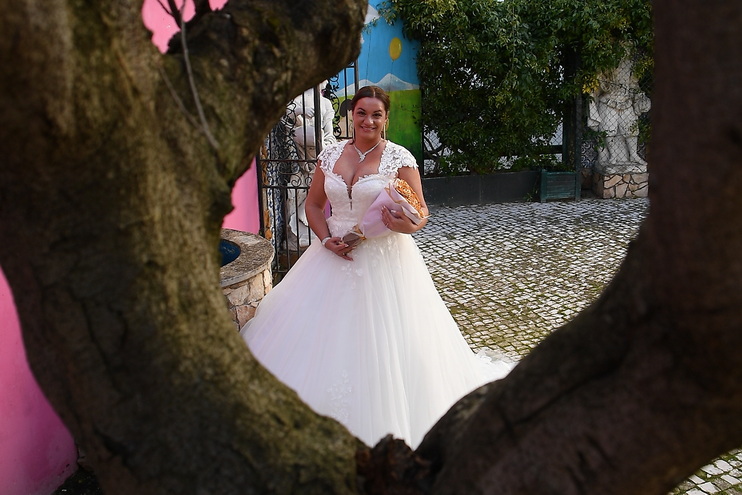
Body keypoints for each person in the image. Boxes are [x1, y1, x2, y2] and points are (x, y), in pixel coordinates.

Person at [241, 86, 513, 448]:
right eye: (361, 113)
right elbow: (313, 205)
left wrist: (407, 225)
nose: (368, 121)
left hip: (384, 258)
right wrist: (325, 239)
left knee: (391, 338)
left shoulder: (399, 158)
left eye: (376, 115)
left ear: (385, 118)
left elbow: (421, 213)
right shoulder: (330, 154)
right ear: (350, 115)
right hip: (330, 255)